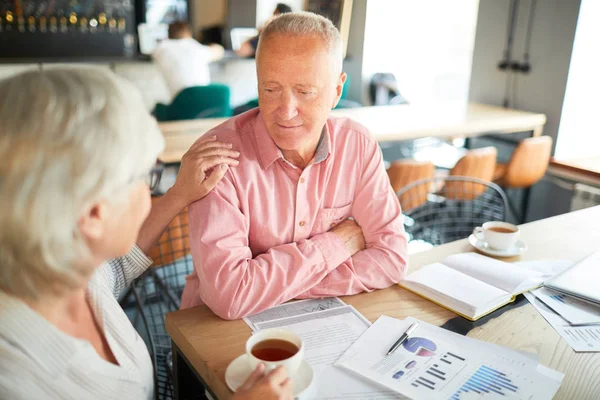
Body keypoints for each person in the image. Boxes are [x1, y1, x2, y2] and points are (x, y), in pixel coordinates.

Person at [0, 68, 292, 400]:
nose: (150, 192)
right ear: (94, 213)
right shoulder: (19, 381)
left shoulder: (63, 274)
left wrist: (179, 193)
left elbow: (112, 268)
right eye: (146, 178)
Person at [181, 12, 408, 319]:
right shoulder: (219, 157)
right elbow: (230, 297)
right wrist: (338, 243)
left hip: (319, 326)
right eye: (271, 89)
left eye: (305, 92)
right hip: (215, 337)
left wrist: (269, 288)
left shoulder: (357, 145)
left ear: (337, 91)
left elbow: (391, 257)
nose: (285, 111)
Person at [153, 21, 225, 99]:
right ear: (189, 33)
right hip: (205, 101)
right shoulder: (196, 47)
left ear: (168, 33)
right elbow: (219, 51)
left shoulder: (161, 47)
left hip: (179, 103)